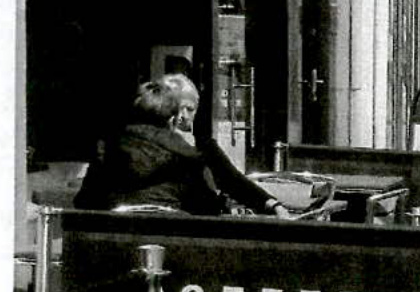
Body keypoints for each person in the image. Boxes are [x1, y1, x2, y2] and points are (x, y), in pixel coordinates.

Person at [75, 75, 292, 217]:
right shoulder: (189, 156)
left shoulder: (109, 145)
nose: (184, 117)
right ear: (167, 110)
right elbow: (206, 208)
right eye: (181, 109)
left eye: (191, 110)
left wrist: (270, 203)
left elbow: (232, 180)